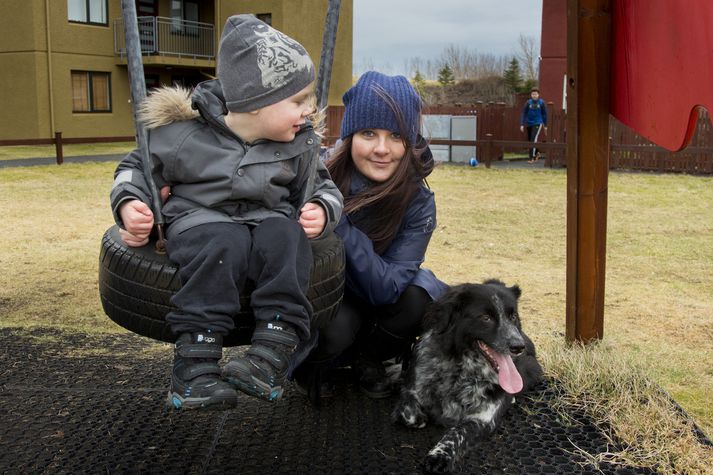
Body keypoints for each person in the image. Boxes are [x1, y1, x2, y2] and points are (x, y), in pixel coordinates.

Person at [109, 15, 343, 410]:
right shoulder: (181, 134)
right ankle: (195, 368)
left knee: (287, 238)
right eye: (298, 101)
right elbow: (133, 171)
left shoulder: (299, 145)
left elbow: (324, 187)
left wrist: (321, 209)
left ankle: (270, 353)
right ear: (257, 103)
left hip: (268, 221)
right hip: (200, 222)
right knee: (224, 243)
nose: (309, 111)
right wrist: (131, 205)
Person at [293, 71, 448, 402]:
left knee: (419, 294)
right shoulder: (315, 178)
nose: (382, 149)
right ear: (349, 137)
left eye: (395, 135)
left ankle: (371, 358)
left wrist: (334, 219)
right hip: (326, 299)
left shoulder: (417, 201)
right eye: (368, 133)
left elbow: (387, 287)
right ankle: (313, 365)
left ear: (410, 141)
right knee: (338, 323)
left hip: (380, 302)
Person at [520, 88, 548, 163]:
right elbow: (524, 113)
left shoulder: (541, 103)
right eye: (533, 94)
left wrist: (545, 125)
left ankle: (532, 158)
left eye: (535, 94)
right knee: (530, 140)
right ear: (531, 95)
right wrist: (522, 124)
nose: (534, 95)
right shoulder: (528, 103)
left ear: (538, 95)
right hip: (529, 123)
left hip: (538, 123)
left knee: (533, 139)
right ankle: (537, 153)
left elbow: (545, 114)